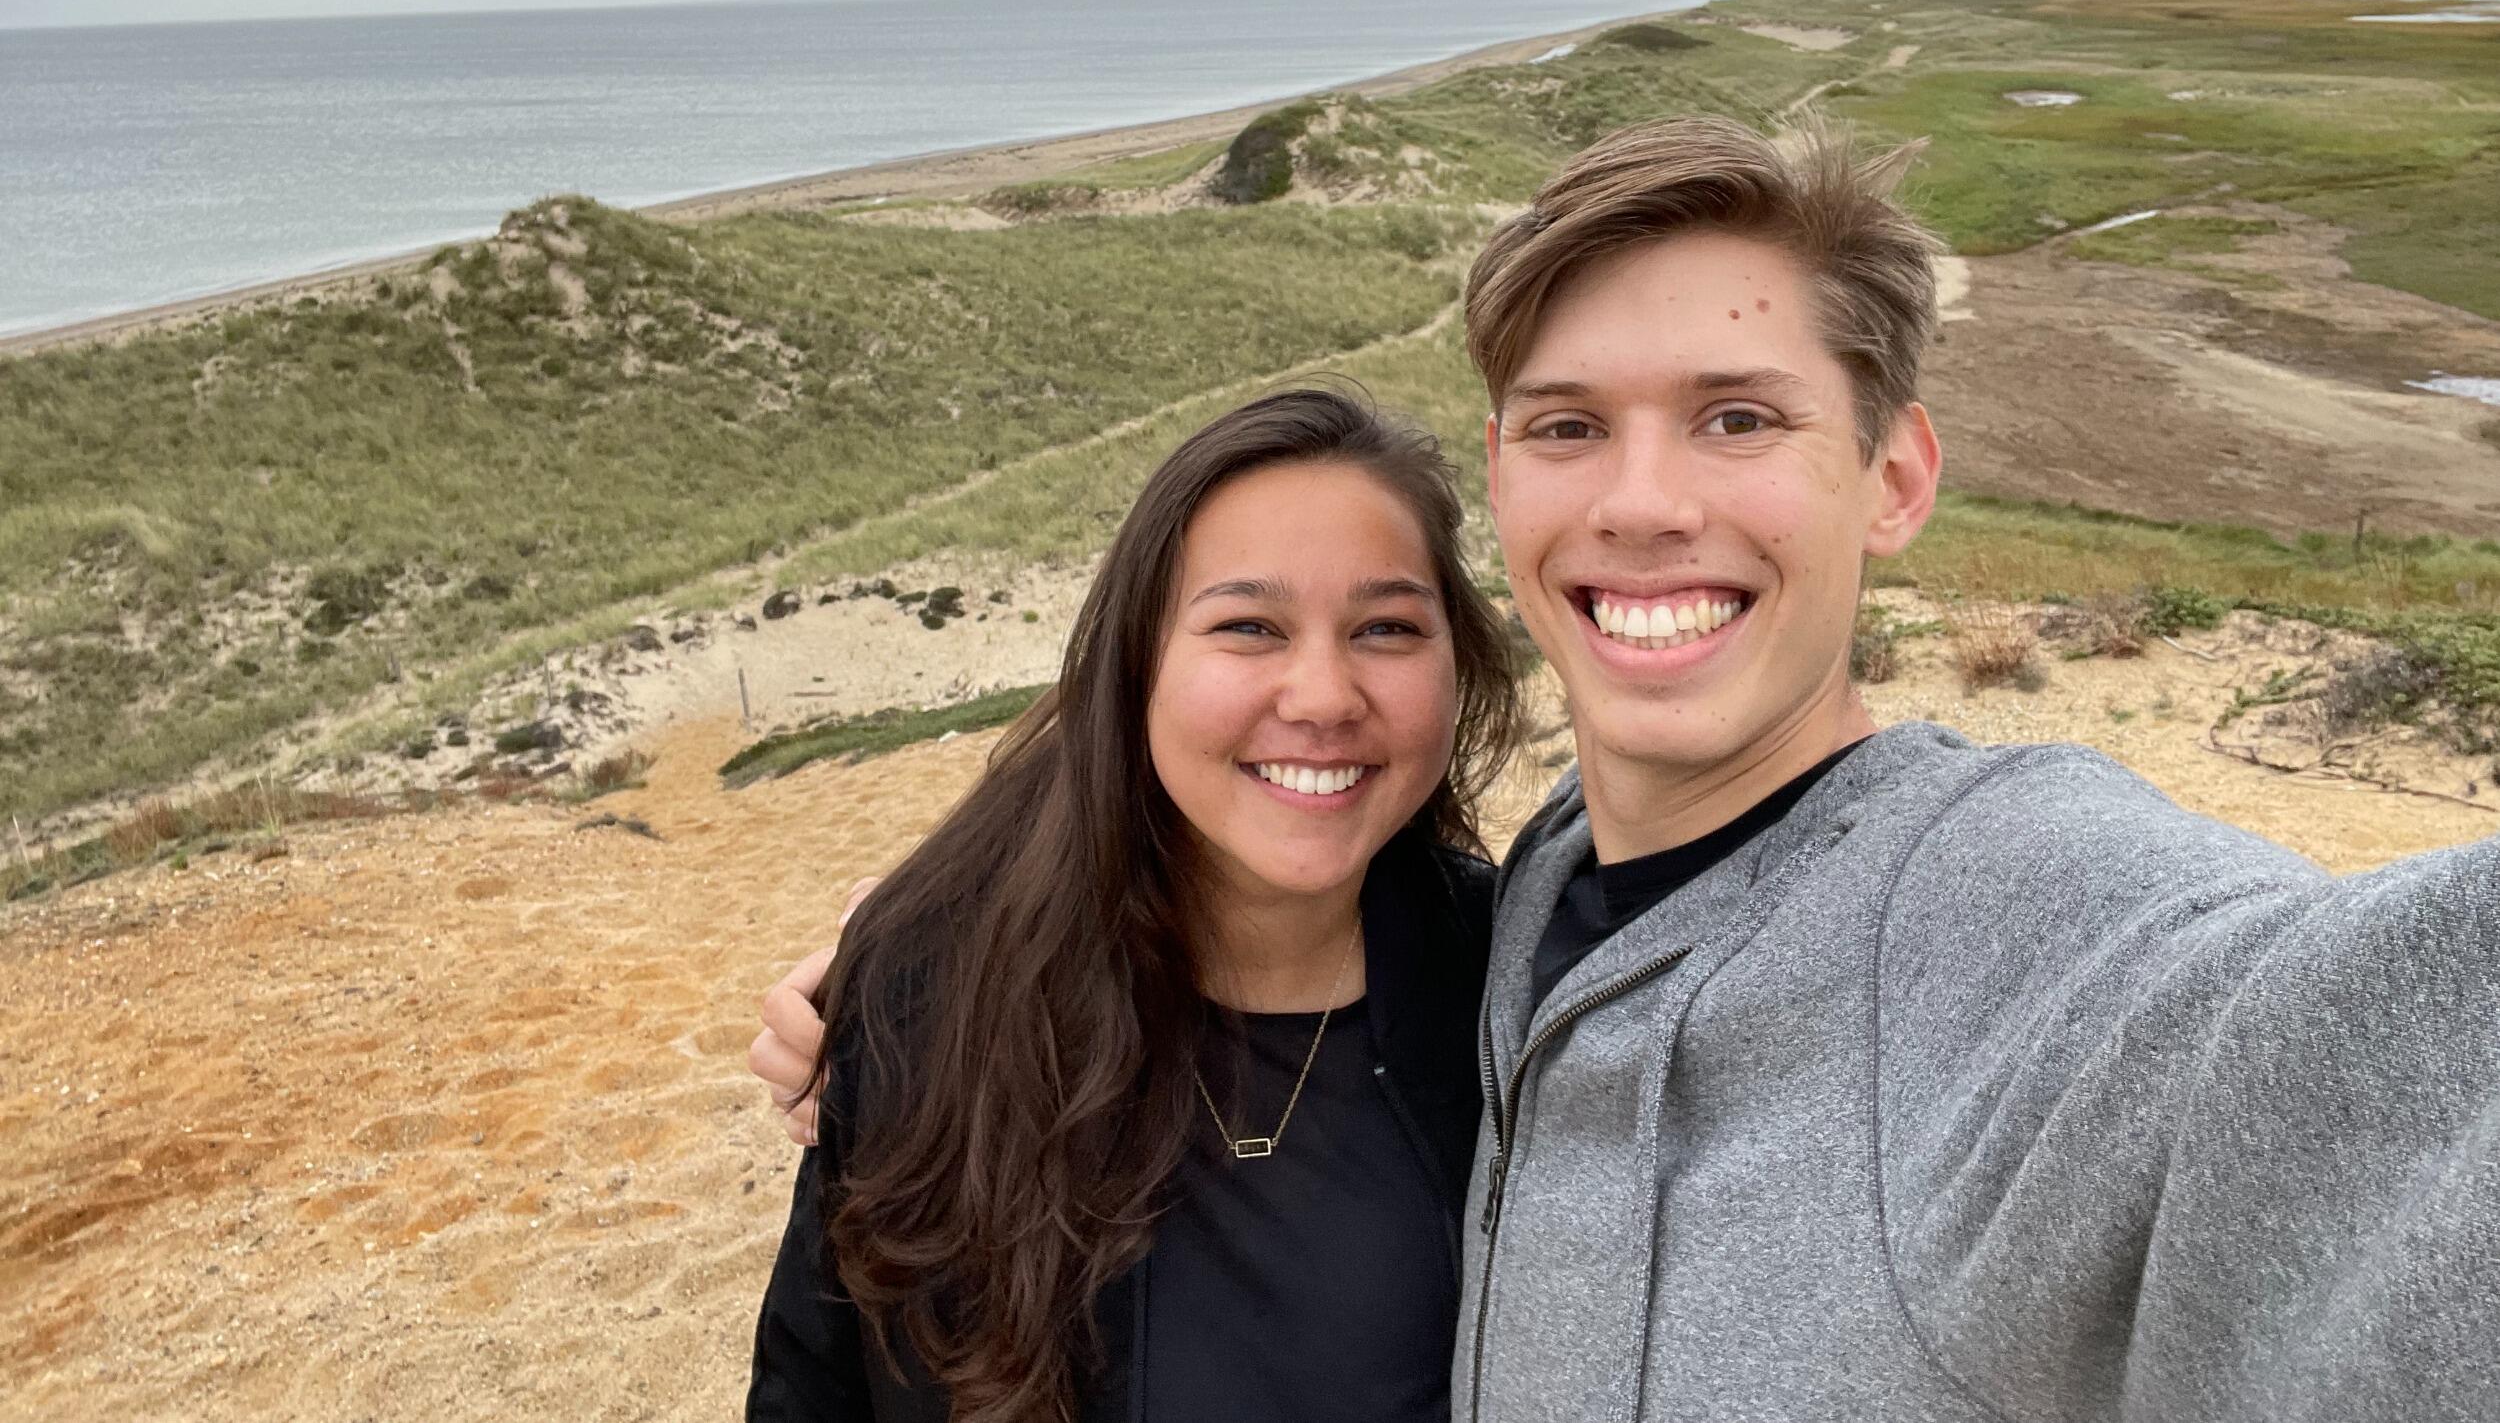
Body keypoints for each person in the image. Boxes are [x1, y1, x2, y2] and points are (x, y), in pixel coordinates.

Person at [757, 117, 2500, 1419]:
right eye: (1571, 425)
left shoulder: (2027, 918)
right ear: (1510, 485)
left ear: (1895, 480)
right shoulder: (1516, 916)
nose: (1642, 501)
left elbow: (2362, 1059)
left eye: (1740, 418)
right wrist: (952, 921)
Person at [746, 386, 1521, 1422]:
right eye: (1248, 626)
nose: (1325, 695)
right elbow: (814, 1388)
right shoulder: (933, 997)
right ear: (1137, 665)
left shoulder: (1520, 996)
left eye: (1386, 627)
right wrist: (893, 964)